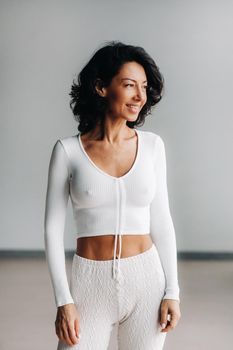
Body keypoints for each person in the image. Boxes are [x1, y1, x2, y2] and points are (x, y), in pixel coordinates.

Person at [44, 41, 181, 350]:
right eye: (129, 85)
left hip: (147, 281)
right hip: (89, 284)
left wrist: (172, 289)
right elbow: (52, 231)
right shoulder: (68, 152)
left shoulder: (152, 147)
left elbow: (162, 220)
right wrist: (64, 300)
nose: (140, 96)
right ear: (101, 87)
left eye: (144, 87)